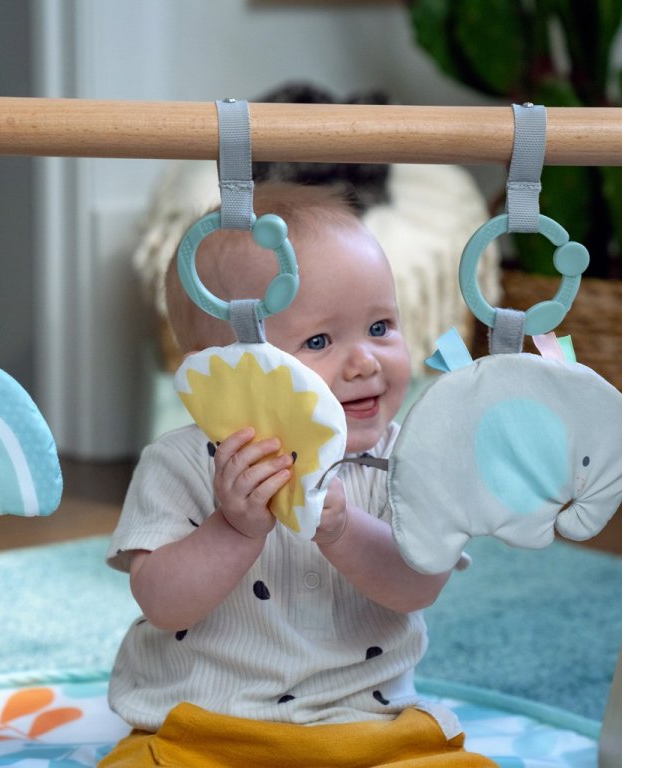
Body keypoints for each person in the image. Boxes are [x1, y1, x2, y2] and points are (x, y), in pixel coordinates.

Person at [99, 183, 492, 767]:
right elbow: (162, 603)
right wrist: (233, 529)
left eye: (380, 327)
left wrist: (343, 529)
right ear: (230, 373)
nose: (365, 361)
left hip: (370, 728)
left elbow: (420, 584)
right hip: (208, 728)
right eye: (319, 340)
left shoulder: (408, 458)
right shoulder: (178, 463)